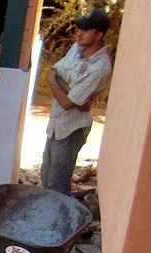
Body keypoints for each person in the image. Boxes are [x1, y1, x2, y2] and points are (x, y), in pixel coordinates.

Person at [41, 8, 113, 195]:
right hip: (57, 123)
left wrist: (54, 82)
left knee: (57, 184)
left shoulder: (101, 67)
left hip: (72, 128)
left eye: (85, 29)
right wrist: (74, 94)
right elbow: (54, 71)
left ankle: (60, 222)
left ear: (99, 35)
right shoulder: (76, 48)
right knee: (46, 176)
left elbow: (67, 101)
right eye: (78, 28)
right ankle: (52, 218)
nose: (78, 33)